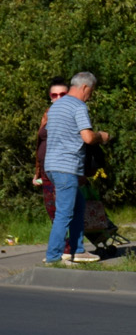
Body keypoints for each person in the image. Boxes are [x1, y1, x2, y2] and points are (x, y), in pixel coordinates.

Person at [43, 71, 112, 264]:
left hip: (52, 165)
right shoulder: (78, 106)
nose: (90, 95)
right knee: (64, 213)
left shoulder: (55, 108)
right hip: (66, 167)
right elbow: (88, 138)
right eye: (91, 91)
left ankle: (78, 250)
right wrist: (102, 136)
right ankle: (54, 256)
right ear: (84, 87)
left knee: (79, 205)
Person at [31, 77, 70, 239]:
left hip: (62, 169)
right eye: (54, 95)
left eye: (62, 94)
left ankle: (70, 249)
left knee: (64, 211)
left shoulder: (71, 113)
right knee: (51, 210)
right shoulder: (47, 114)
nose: (58, 98)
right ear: (50, 96)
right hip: (46, 171)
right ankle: (63, 248)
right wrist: (37, 172)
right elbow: (40, 144)